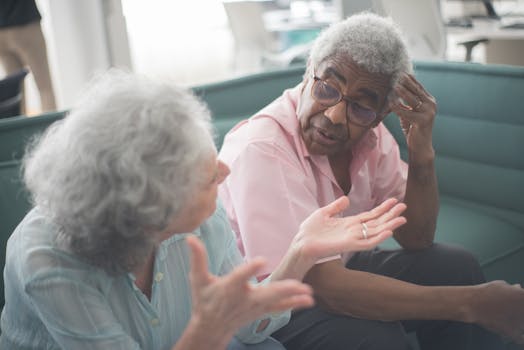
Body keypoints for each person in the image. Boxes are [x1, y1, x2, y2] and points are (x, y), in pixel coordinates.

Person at [0, 70, 407, 350]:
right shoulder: (47, 260)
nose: (225, 170)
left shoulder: (201, 219)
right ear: (150, 212)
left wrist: (300, 251)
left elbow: (248, 328)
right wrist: (208, 332)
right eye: (204, 175)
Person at [218, 12, 524, 350]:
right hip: (270, 303)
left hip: (333, 268)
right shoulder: (262, 148)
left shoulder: (371, 136)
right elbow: (323, 285)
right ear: (308, 74)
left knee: (456, 267)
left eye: (361, 108)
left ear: (381, 115)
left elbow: (416, 238)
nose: (334, 115)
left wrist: (422, 154)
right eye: (327, 88)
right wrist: (471, 304)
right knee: (378, 340)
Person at [0, 0, 56, 112]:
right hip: (25, 21)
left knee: (16, 95)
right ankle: (51, 129)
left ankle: (19, 129)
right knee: (45, 89)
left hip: (1, 32)